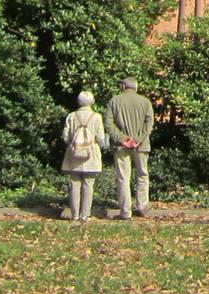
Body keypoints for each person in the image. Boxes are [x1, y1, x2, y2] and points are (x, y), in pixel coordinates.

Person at [106, 77, 154, 220]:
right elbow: (149, 124)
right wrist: (138, 139)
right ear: (136, 87)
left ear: (123, 86)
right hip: (141, 145)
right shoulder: (146, 102)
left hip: (121, 146)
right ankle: (142, 206)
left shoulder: (114, 101)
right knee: (142, 174)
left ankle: (125, 212)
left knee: (123, 178)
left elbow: (108, 124)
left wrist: (123, 139)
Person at [60, 90, 106, 222]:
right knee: (88, 184)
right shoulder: (97, 117)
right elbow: (101, 138)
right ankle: (85, 215)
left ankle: (74, 215)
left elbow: (65, 136)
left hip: (74, 155)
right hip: (91, 155)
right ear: (92, 102)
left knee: (74, 184)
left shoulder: (71, 116)